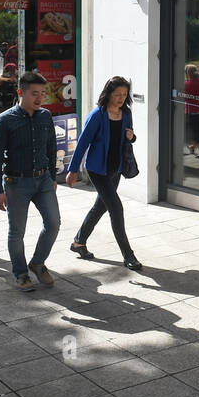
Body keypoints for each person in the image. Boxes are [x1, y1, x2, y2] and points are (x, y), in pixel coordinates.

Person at [0, 70, 60, 292]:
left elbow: (51, 147)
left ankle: (37, 263)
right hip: (16, 183)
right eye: (34, 93)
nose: (40, 98)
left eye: (42, 94)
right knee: (17, 231)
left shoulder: (45, 115)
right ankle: (20, 273)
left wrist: (53, 177)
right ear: (21, 92)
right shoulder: (5, 120)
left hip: (43, 180)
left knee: (53, 223)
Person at [66, 75, 141, 269]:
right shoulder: (97, 115)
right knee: (116, 208)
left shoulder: (126, 114)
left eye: (124, 94)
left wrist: (132, 137)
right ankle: (128, 255)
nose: (121, 98)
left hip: (116, 169)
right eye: (117, 94)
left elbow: (128, 139)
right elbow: (82, 143)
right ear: (108, 94)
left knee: (100, 207)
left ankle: (78, 242)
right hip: (97, 169)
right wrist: (73, 170)